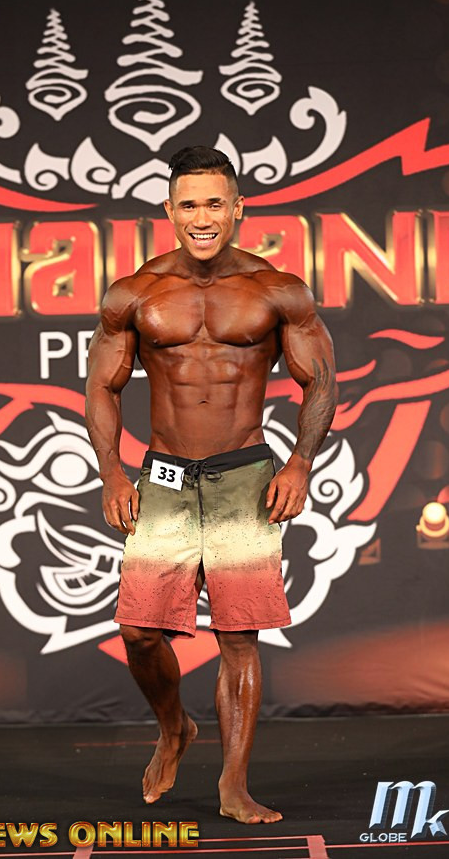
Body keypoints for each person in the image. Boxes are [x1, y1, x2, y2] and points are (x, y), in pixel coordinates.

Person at [85, 146, 337, 824]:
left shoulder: (277, 289)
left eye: (215, 203)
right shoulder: (135, 292)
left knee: (238, 637)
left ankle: (233, 784)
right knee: (138, 631)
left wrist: (300, 463)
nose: (202, 217)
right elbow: (102, 386)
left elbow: (320, 380)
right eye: (189, 204)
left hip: (243, 478)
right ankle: (174, 728)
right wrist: (111, 472)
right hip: (164, 477)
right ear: (169, 211)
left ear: (238, 208)